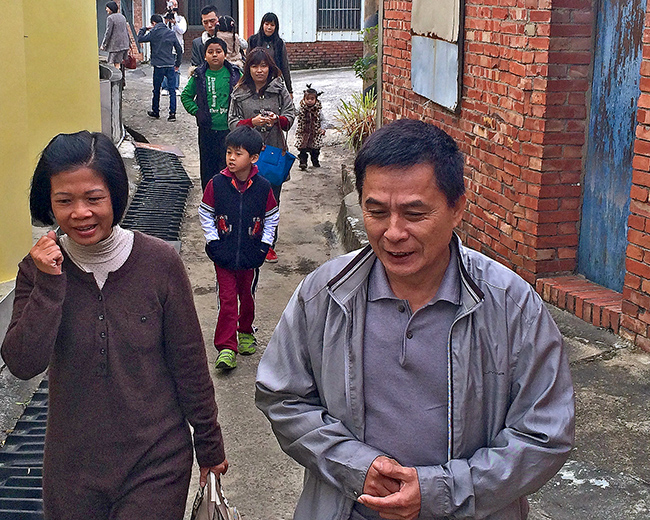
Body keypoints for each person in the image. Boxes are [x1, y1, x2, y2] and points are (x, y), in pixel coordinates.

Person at [255, 119, 575, 520]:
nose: (393, 233)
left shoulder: (511, 306)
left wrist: (440, 491)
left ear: (457, 207)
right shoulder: (324, 295)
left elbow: (544, 433)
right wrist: (356, 465)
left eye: (414, 213)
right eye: (376, 211)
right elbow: (282, 396)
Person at [1, 131, 228, 519]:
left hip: (156, 460)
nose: (80, 213)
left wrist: (209, 445)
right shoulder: (37, 271)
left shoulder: (159, 263)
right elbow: (23, 363)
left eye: (93, 198)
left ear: (115, 196)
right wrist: (51, 284)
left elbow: (188, 362)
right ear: (49, 204)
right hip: (71, 470)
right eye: (64, 201)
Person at [199, 126, 279, 370]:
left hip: (251, 255)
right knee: (227, 299)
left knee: (247, 296)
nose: (231, 158)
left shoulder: (264, 187)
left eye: (238, 153)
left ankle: (245, 331)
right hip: (222, 254)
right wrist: (213, 242)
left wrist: (264, 245)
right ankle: (226, 347)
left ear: (254, 158)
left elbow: (272, 216)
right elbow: (206, 213)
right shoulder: (217, 183)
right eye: (229, 152)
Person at [228, 47, 295, 263]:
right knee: (246, 198)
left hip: (273, 152)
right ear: (248, 68)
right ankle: (247, 240)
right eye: (255, 66)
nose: (260, 70)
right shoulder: (239, 91)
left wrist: (277, 120)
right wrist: (251, 123)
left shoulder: (278, 88)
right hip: (246, 153)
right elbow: (231, 122)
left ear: (270, 67)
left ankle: (268, 244)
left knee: (271, 200)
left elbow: (290, 115)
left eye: (264, 66)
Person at [181, 37, 241, 191]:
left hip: (230, 131)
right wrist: (197, 112)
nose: (215, 55)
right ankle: (209, 200)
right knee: (208, 168)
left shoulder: (235, 74)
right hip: (207, 131)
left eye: (219, 51)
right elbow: (186, 97)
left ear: (225, 54)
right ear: (205, 55)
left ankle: (227, 198)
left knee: (229, 167)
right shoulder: (199, 75)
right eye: (210, 52)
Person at [137, 14, 183, 121]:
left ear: (153, 23)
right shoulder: (171, 33)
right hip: (170, 65)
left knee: (156, 89)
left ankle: (156, 111)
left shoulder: (154, 33)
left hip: (158, 65)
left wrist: (144, 28)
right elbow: (179, 50)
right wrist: (177, 64)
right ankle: (172, 114)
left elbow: (140, 39)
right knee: (172, 90)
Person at [247, 12, 293, 96]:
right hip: (255, 82)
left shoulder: (279, 43)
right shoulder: (253, 40)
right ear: (262, 25)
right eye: (266, 24)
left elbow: (285, 66)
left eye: (272, 25)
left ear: (276, 27)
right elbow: (247, 63)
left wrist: (289, 90)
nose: (269, 27)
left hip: (274, 84)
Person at [296, 83, 325, 170]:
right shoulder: (301, 109)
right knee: (302, 149)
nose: (309, 101)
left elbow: (323, 120)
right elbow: (293, 113)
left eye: (312, 99)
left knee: (315, 151)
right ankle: (303, 162)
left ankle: (315, 161)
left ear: (316, 99)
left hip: (315, 134)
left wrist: (322, 128)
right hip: (303, 133)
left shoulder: (318, 111)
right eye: (307, 99)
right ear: (304, 99)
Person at [161, 1, 187, 96]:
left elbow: (182, 30)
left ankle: (175, 87)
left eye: (175, 4)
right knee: (165, 66)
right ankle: (165, 87)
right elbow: (160, 29)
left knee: (176, 67)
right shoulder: (164, 17)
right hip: (165, 47)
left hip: (177, 46)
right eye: (171, 4)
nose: (173, 6)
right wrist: (166, 21)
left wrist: (175, 22)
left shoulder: (181, 18)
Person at [100, 1, 130, 74]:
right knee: (120, 62)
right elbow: (126, 30)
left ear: (111, 8)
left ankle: (117, 82)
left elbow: (108, 32)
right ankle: (122, 81)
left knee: (116, 64)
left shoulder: (110, 18)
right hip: (124, 44)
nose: (106, 9)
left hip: (116, 45)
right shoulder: (122, 16)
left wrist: (104, 44)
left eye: (107, 8)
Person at [190, 5, 220, 70]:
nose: (209, 25)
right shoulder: (197, 43)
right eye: (205, 22)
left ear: (218, 20)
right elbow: (196, 66)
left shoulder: (230, 39)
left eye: (212, 21)